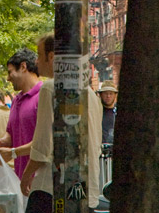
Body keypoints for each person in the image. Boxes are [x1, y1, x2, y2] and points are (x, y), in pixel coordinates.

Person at [19, 35, 102, 213]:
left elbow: (43, 144)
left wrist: (27, 175)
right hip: (83, 190)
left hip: (51, 188)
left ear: (51, 57)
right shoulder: (92, 95)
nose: (36, 60)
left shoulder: (50, 88)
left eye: (39, 54)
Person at [0, 48, 42, 178]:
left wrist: (12, 153)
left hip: (40, 180)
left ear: (23, 67)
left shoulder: (44, 96)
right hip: (20, 179)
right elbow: (11, 132)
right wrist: (3, 141)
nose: (8, 78)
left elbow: (44, 142)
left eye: (10, 72)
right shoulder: (16, 100)